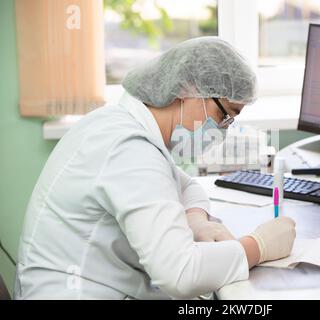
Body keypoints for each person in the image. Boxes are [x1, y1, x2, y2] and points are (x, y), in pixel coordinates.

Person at [14, 37, 296, 300]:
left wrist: (197, 221)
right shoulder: (129, 150)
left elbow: (185, 186)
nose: (222, 130)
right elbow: (181, 272)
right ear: (189, 91)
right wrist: (257, 246)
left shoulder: (117, 123)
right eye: (224, 116)